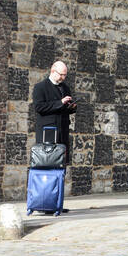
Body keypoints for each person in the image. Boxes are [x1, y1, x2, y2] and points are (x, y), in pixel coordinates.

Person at [29, 61, 77, 215]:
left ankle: (57, 202)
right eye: (61, 74)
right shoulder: (40, 87)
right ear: (53, 71)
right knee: (47, 166)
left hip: (62, 131)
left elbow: (64, 109)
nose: (63, 77)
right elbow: (39, 107)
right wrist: (60, 103)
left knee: (61, 167)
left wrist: (71, 108)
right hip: (47, 133)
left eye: (65, 75)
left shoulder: (65, 88)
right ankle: (43, 202)